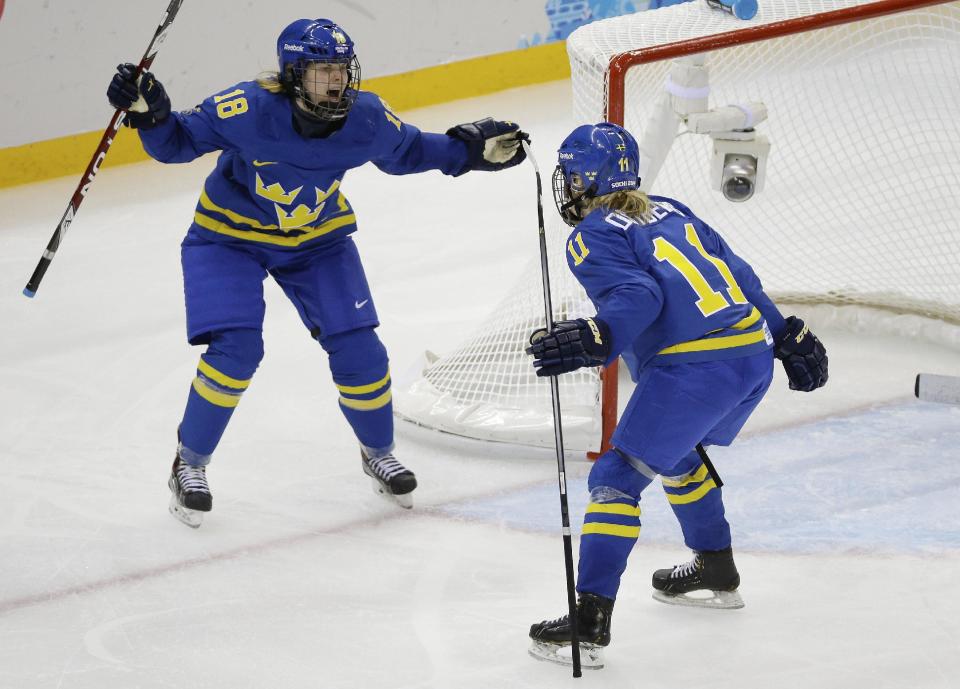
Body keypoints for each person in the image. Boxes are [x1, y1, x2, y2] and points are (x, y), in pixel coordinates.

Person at [106, 18, 528, 528]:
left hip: (316, 242)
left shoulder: (366, 117)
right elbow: (175, 145)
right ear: (292, 74)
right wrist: (151, 111)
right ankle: (189, 464)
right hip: (227, 240)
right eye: (323, 71)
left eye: (342, 70)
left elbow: (411, 150)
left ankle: (377, 451)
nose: (337, 82)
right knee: (237, 351)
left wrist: (471, 150)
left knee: (361, 350)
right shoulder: (245, 109)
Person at [525, 122, 827, 667]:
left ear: (590, 179)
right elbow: (739, 273)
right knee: (679, 453)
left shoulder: (592, 232)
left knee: (617, 478)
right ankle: (715, 565)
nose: (566, 187)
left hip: (694, 371)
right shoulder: (670, 208)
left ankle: (589, 622)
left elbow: (636, 295)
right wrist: (783, 332)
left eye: (571, 176)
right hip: (750, 358)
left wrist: (601, 335)